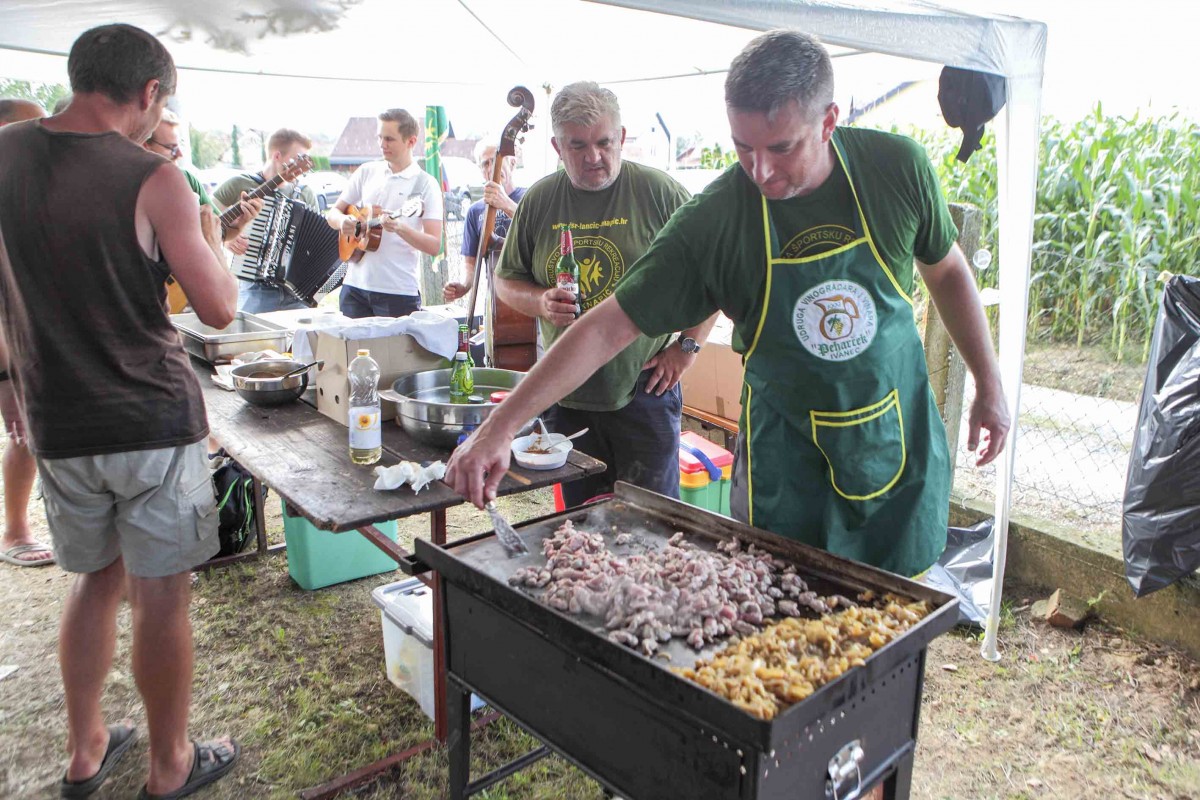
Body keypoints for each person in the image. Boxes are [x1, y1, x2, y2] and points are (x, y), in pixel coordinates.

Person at [447, 31, 1009, 581]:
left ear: (829, 121)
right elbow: (605, 327)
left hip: (892, 436)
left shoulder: (895, 169)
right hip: (784, 456)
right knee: (783, 608)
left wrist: (989, 380)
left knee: (895, 619)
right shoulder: (715, 218)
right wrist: (498, 429)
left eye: (781, 147)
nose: (760, 171)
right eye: (743, 147)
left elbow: (948, 270)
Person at [0, 24, 247, 798]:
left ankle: (85, 749)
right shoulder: (154, 177)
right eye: (159, 105)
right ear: (148, 94)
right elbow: (218, 310)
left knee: (93, 581)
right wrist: (213, 240)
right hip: (148, 419)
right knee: (161, 592)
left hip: (58, 419)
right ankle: (171, 764)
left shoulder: (2, 154)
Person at [487, 81, 717, 506]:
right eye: (578, 146)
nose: (594, 156)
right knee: (579, 524)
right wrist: (539, 301)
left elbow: (713, 274)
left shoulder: (659, 192)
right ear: (557, 147)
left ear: (622, 137)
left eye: (604, 142)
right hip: (565, 394)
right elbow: (505, 281)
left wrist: (686, 347)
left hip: (647, 388)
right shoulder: (539, 200)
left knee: (652, 520)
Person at [0, 98, 53, 567]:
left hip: (45, 344)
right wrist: (7, 383)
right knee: (23, 435)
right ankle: (14, 530)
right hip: (13, 351)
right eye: (32, 128)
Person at [327, 108, 444, 318]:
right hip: (354, 287)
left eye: (389, 139)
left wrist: (400, 228)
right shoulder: (366, 171)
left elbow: (434, 245)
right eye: (379, 137)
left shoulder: (426, 184)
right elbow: (332, 214)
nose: (382, 144)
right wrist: (344, 220)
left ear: (411, 141)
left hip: (397, 291)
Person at [214, 128, 319, 312]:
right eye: (299, 159)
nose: (304, 165)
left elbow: (315, 242)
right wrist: (226, 240)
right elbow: (205, 223)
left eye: (306, 160)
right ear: (277, 155)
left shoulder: (305, 193)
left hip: (296, 293)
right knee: (252, 341)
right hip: (255, 290)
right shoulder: (239, 184)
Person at [443, 139, 526, 303]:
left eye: (496, 161)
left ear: (512, 163)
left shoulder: (530, 197)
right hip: (495, 299)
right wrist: (464, 286)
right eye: (485, 164)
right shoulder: (475, 211)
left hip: (529, 293)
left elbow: (537, 229)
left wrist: (506, 204)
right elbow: (470, 263)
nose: (491, 168)